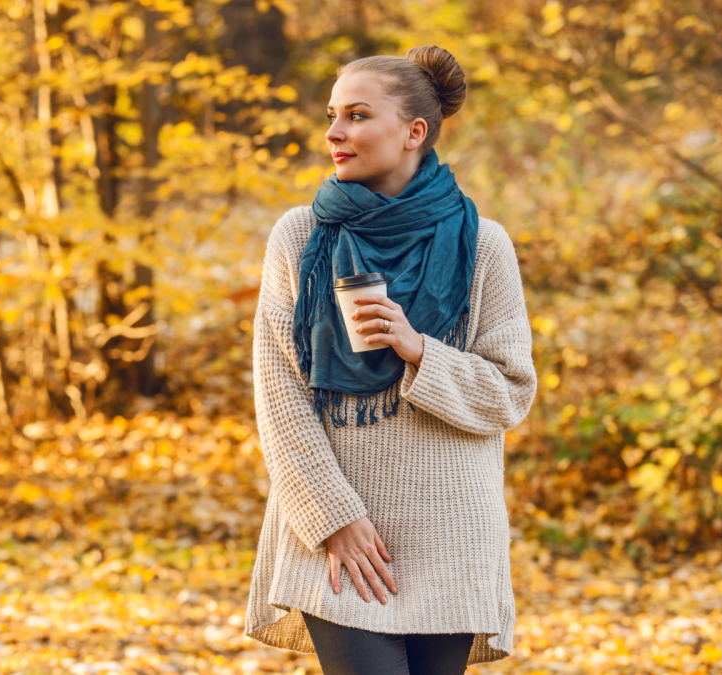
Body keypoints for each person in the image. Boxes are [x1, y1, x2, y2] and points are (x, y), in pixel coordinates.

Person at [243, 46, 537, 675]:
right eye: (331, 115)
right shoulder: (300, 238)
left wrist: (419, 351)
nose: (333, 132)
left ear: (414, 132)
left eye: (355, 115)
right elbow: (279, 394)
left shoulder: (484, 246)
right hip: (342, 539)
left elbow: (510, 392)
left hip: (452, 535)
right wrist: (332, 517)